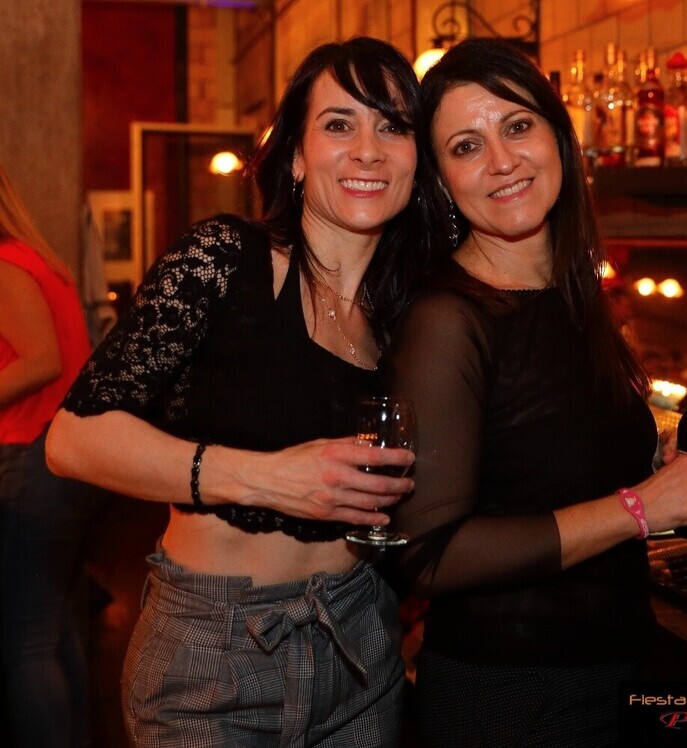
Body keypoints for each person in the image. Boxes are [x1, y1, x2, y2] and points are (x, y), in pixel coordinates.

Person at [46, 37, 437, 747]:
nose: (368, 150)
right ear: (295, 156)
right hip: (215, 650)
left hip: (362, 643)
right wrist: (267, 478)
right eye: (339, 124)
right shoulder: (225, 260)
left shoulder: (408, 313)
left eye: (393, 127)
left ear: (417, 159)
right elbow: (72, 440)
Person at [385, 39, 687, 747]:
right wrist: (640, 507)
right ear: (440, 180)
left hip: (618, 669)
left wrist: (677, 467)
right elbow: (429, 553)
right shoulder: (447, 318)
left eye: (518, 126)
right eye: (466, 146)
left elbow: (545, 469)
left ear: (558, 136)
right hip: (511, 700)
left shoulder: (573, 293)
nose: (502, 161)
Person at [0, 164, 99, 747]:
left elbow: (41, 361)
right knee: (53, 630)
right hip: (60, 459)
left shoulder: (6, 264)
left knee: (25, 643)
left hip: (32, 457)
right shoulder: (34, 259)